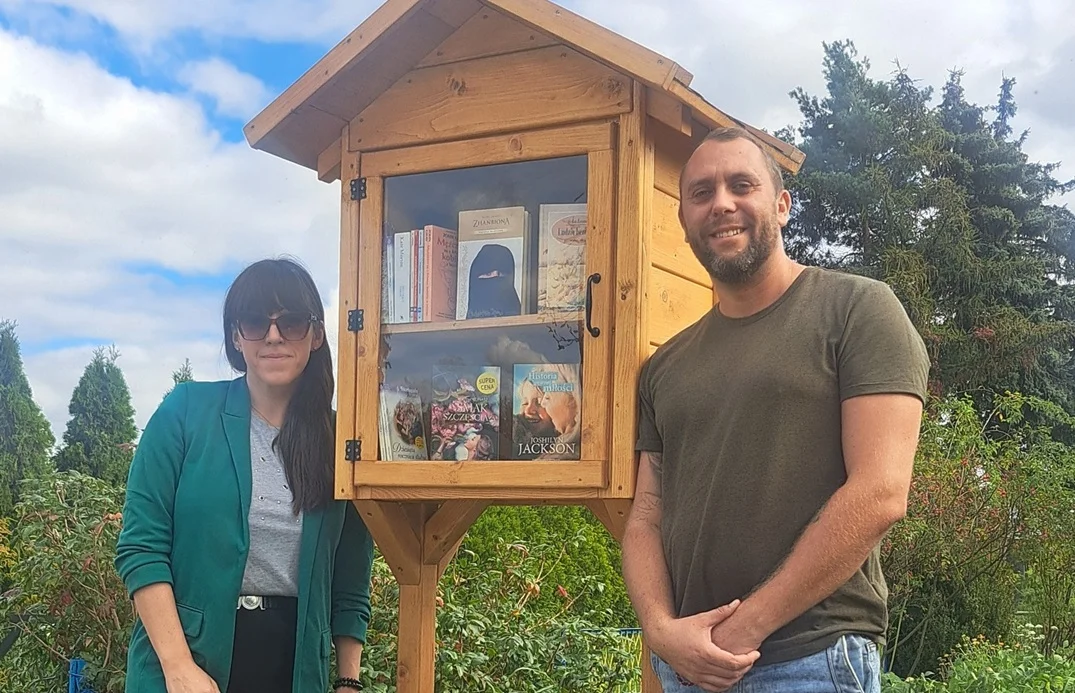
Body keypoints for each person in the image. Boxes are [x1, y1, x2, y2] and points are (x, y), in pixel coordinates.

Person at [621, 128, 929, 693]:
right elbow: (645, 515)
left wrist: (746, 629)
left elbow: (881, 493)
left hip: (809, 659)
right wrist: (661, 631)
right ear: (683, 217)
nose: (722, 204)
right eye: (701, 193)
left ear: (782, 205)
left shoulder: (857, 310)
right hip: (685, 667)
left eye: (742, 185)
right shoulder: (665, 366)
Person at [115, 258, 376, 693]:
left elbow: (351, 577)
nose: (273, 335)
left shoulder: (341, 445)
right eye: (256, 321)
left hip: (294, 671)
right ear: (237, 336)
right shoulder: (184, 413)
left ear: (316, 334)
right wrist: (178, 667)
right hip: (188, 668)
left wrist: (348, 681)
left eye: (291, 322)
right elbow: (141, 548)